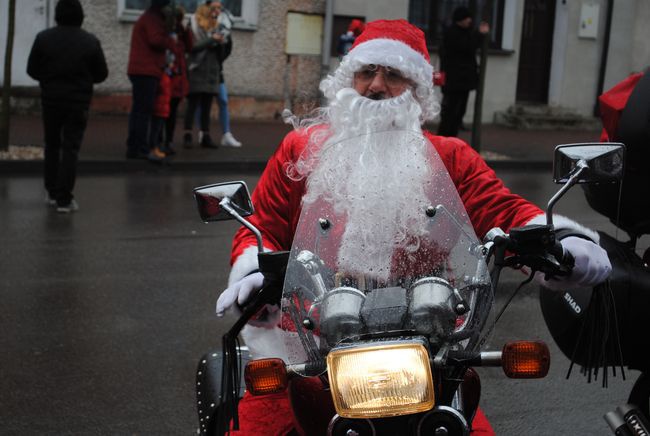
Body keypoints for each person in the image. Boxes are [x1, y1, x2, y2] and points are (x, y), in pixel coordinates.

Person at [215, 19, 612, 435]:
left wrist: (560, 241)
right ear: (348, 80)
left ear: (418, 92)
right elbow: (263, 221)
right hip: (312, 345)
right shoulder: (303, 149)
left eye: (394, 75)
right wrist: (253, 268)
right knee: (260, 426)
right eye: (366, 72)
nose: (375, 87)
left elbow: (500, 208)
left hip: (426, 346)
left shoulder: (449, 156)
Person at [26, 0, 108, 213]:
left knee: (51, 145)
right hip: (77, 103)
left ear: (57, 15)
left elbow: (32, 70)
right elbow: (101, 74)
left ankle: (52, 191)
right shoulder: (90, 42)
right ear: (80, 16)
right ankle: (64, 199)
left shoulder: (43, 39)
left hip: (51, 100)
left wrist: (49, 79)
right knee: (70, 148)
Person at [126, 0, 175, 161]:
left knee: (139, 110)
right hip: (146, 70)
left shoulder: (148, 18)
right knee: (143, 111)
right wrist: (169, 40)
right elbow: (156, 40)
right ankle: (139, 148)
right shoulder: (152, 19)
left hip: (142, 69)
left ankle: (134, 146)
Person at [437, 6, 489, 137]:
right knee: (450, 112)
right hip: (454, 81)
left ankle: (451, 137)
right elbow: (468, 47)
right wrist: (480, 34)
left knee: (458, 112)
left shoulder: (465, 32)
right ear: (459, 19)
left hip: (462, 81)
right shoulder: (452, 33)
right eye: (466, 18)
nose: (469, 20)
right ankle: (445, 138)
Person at [182, 2, 223, 149]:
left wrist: (222, 43)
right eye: (213, 10)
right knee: (192, 104)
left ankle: (205, 135)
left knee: (207, 106)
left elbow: (221, 54)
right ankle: (187, 134)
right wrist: (212, 39)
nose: (216, 13)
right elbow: (192, 47)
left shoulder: (217, 26)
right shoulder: (193, 25)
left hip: (211, 71)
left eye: (218, 10)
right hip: (196, 69)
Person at [163, 4, 193, 155]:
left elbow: (190, 46)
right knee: (163, 113)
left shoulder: (181, 33)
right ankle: (161, 141)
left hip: (178, 80)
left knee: (172, 113)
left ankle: (168, 141)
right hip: (168, 78)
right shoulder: (166, 33)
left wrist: (185, 29)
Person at [214, 1, 242, 148]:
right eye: (215, 7)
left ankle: (226, 134)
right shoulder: (202, 22)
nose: (218, 10)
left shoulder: (224, 26)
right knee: (200, 103)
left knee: (223, 100)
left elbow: (227, 51)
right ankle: (199, 134)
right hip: (201, 70)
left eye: (219, 7)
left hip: (216, 71)